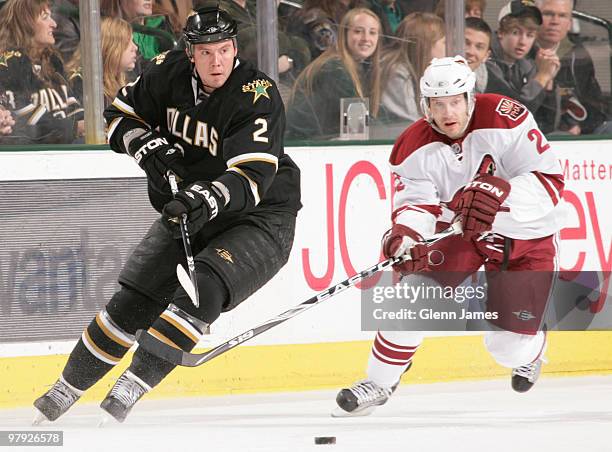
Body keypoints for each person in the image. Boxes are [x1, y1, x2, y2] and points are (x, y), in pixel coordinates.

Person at [33, 6, 301, 424]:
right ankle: (66, 389)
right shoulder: (165, 71)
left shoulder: (257, 94)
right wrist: (148, 149)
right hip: (189, 209)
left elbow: (251, 177)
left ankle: (131, 385)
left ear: (234, 48)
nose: (217, 61)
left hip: (260, 218)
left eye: (225, 50)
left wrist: (201, 199)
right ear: (190, 53)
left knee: (202, 291)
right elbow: (120, 117)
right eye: (206, 51)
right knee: (132, 301)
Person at [334, 56, 565, 416]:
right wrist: (405, 238)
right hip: (461, 232)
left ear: (470, 97)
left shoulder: (506, 116)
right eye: (437, 104)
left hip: (525, 236)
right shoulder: (412, 146)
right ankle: (379, 383)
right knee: (411, 294)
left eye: (455, 101)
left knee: (506, 348)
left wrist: (500, 194)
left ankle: (533, 347)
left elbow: (550, 182)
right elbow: (416, 206)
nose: (447, 112)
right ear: (425, 105)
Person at [286, 7, 383, 139]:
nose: (366, 38)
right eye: (358, 31)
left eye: (372, 32)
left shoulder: (361, 68)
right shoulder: (335, 69)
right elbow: (358, 123)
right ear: (344, 34)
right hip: (303, 147)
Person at [0, 0, 84, 144]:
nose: (54, 24)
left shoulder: (52, 62)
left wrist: (90, 124)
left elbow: (73, 107)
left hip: (64, 151)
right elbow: (22, 117)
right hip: (32, 156)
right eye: (45, 17)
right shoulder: (9, 64)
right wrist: (73, 128)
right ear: (25, 24)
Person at [531, 0, 611, 135]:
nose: (555, 21)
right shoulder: (518, 50)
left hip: (576, 133)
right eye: (548, 14)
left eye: (562, 16)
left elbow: (595, 106)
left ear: (569, 24)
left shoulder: (578, 55)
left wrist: (580, 127)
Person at [485, 0, 560, 113]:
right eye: (515, 32)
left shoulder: (528, 63)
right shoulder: (486, 60)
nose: (523, 42)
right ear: (501, 32)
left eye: (530, 35)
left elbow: (547, 123)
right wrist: (542, 77)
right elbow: (514, 113)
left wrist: (548, 82)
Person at [380, 12, 445, 124]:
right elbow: (410, 122)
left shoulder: (428, 71)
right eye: (445, 42)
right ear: (426, 45)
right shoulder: (396, 72)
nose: (449, 48)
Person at [66, 17, 138, 107]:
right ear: (109, 47)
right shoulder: (81, 83)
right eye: (127, 42)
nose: (135, 47)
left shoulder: (124, 82)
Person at [464, 17, 492, 93]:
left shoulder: (496, 89)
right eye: (466, 43)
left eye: (479, 47)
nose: (471, 52)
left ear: (486, 56)